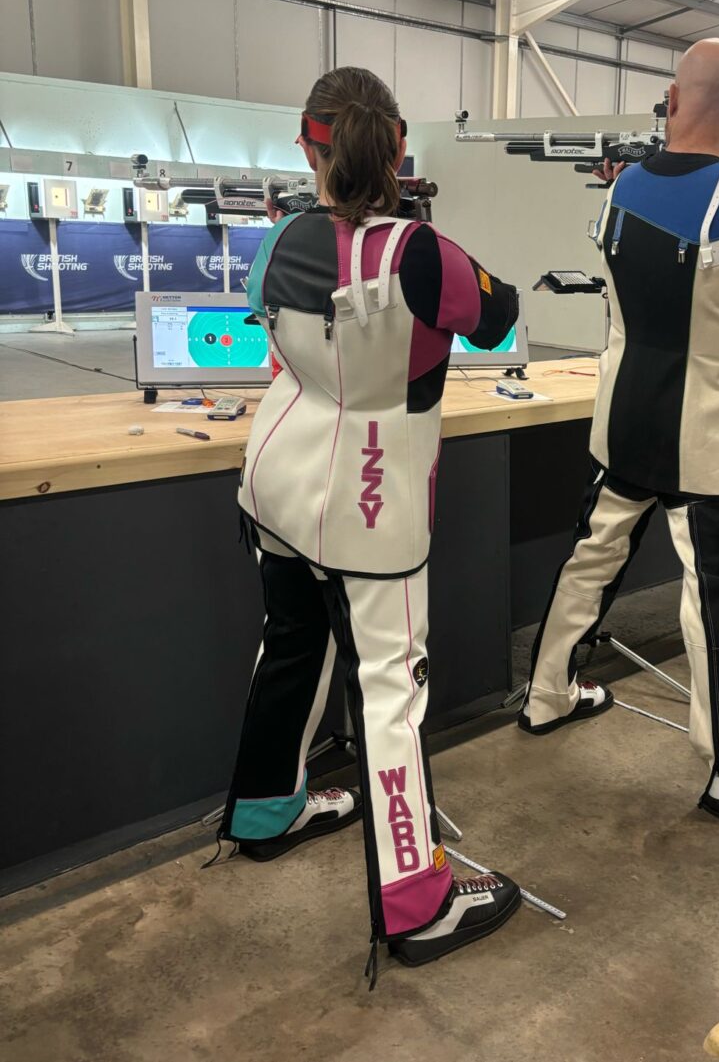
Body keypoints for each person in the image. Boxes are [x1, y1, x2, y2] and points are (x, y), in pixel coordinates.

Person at [216, 66, 522, 982]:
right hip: (373, 505)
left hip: (277, 480)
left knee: (289, 643)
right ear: (395, 147)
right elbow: (498, 313)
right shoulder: (422, 254)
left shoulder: (277, 242)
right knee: (390, 693)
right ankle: (415, 905)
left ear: (308, 145)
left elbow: (286, 339)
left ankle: (265, 811)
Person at [519, 39, 719, 822]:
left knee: (590, 562)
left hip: (622, 419)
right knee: (717, 594)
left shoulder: (623, 188)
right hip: (709, 436)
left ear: (670, 99)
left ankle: (546, 695)